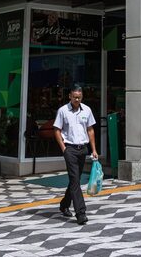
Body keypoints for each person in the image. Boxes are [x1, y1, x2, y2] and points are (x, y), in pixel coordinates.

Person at [53, 86, 98, 225]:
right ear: (70, 96)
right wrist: (64, 149)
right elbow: (57, 130)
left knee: (75, 180)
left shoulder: (87, 110)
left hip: (82, 149)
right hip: (70, 149)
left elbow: (90, 130)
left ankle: (64, 205)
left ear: (82, 97)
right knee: (74, 179)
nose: (77, 100)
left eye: (79, 97)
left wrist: (94, 150)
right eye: (74, 97)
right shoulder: (63, 111)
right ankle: (81, 213)